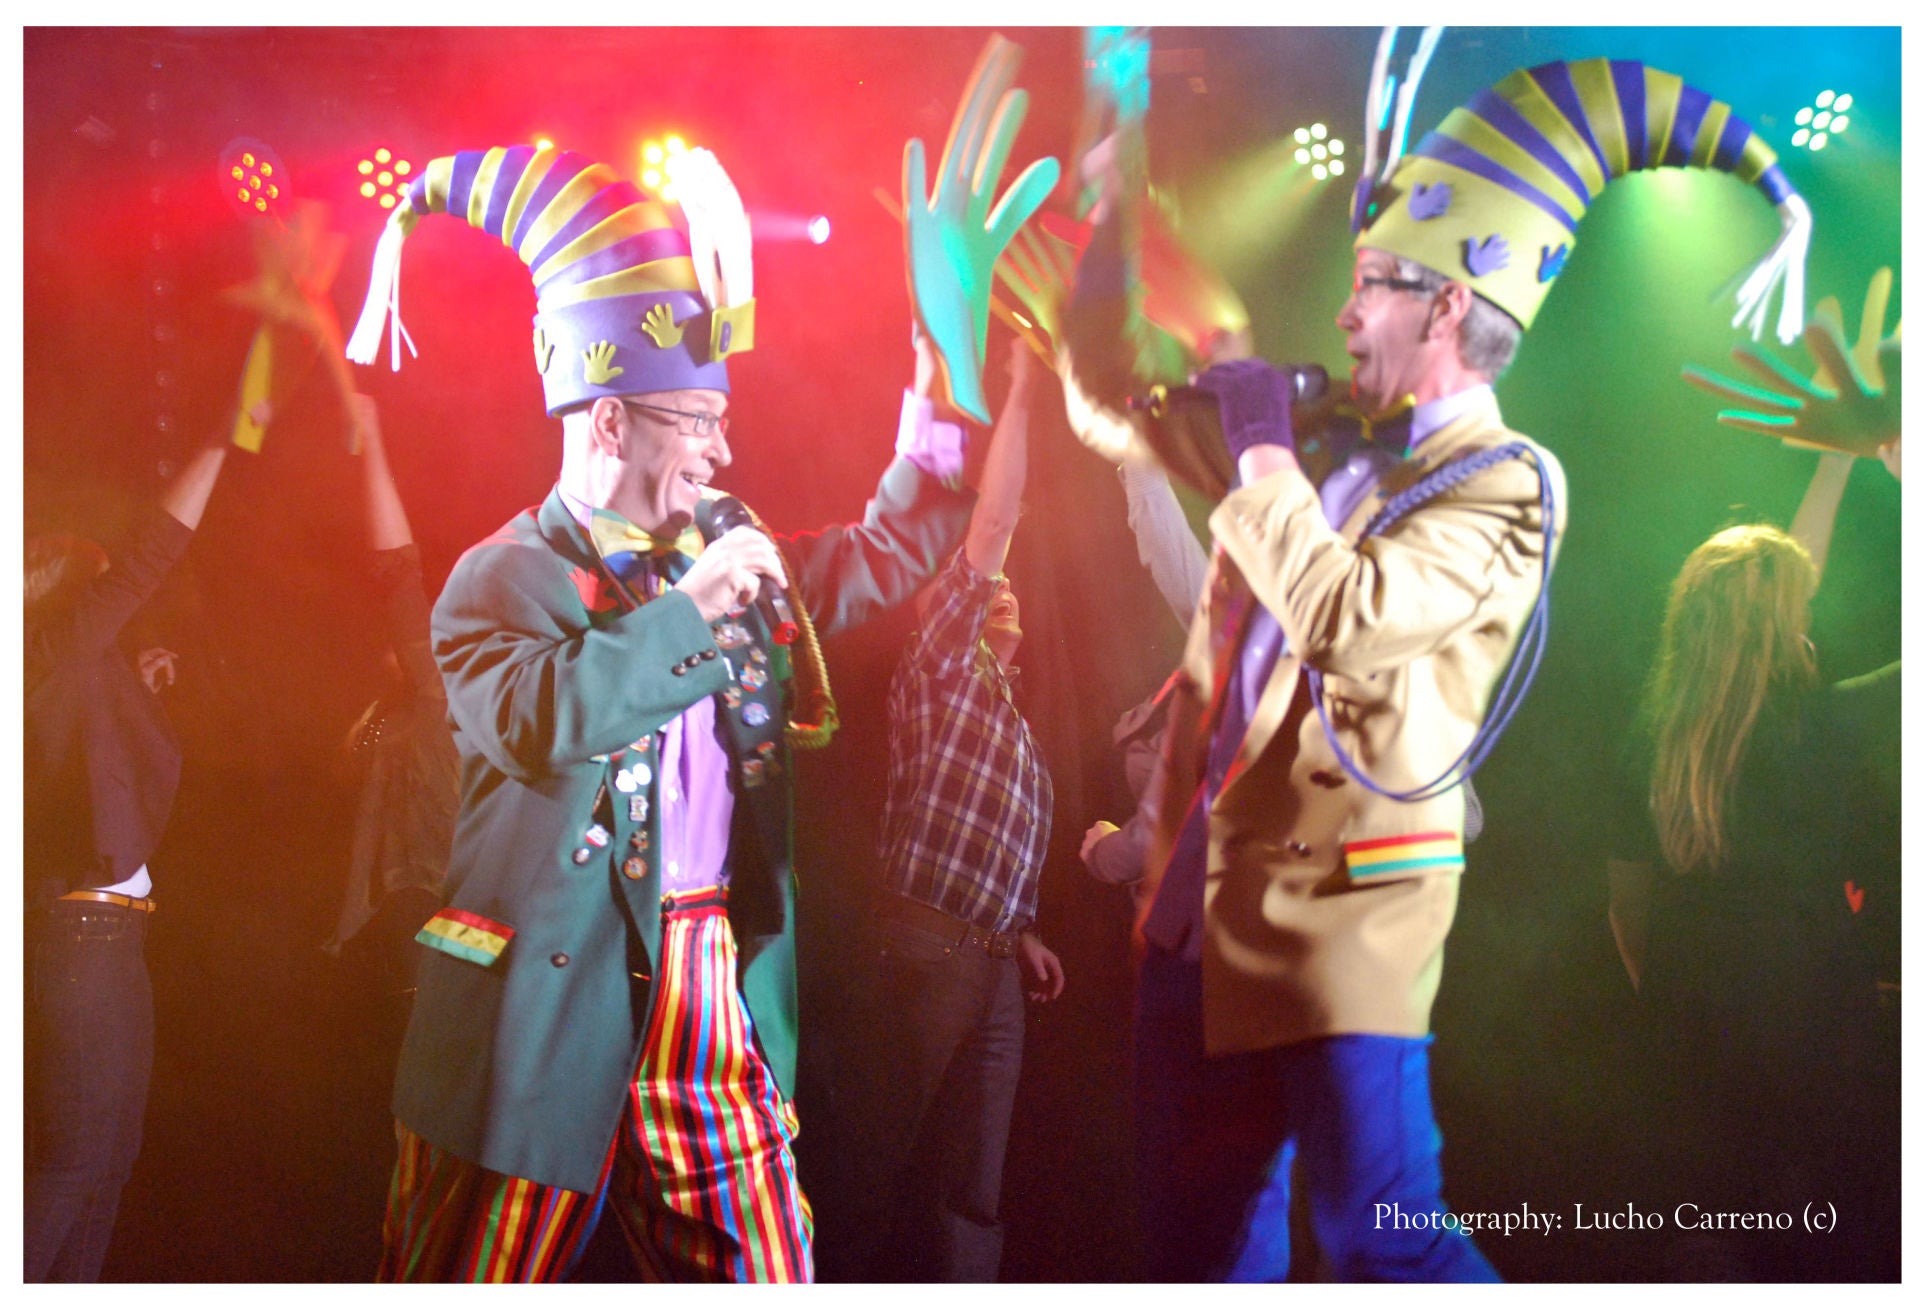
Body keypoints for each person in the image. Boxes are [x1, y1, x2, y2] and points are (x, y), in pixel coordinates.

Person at [1059, 44, 1803, 1283]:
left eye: (1369, 286)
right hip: (1194, 924)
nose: (1342, 311)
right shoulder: (1321, 435)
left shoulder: (1507, 484)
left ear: (1446, 307)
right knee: (1198, 1256)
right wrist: (1111, 205)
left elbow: (1344, 616)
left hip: (1338, 927)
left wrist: (1258, 447)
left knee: (1382, 1240)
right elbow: (1108, 405)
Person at [350, 144, 975, 1283]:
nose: (721, 449)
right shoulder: (499, 577)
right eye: (694, 419)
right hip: (537, 1018)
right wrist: (691, 610)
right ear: (607, 421)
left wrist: (942, 388)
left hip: (708, 988)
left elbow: (886, 553)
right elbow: (544, 719)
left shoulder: (716, 557)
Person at [1607, 282, 1901, 1281]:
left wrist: (1833, 464)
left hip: (1688, 1046)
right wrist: (1889, 458)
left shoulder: (1653, 739)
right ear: (1783, 630)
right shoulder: (1824, 727)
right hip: (1815, 1043)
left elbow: (1626, 913)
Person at [819, 339, 1059, 1283]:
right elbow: (992, 523)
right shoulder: (943, 663)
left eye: (1004, 592)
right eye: (982, 588)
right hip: (925, 948)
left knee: (972, 1189)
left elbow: (993, 837)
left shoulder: (1012, 719)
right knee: (871, 1161)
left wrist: (1021, 928)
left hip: (991, 964)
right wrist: (1024, 390)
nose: (1001, 592)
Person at [24, 418, 239, 1282]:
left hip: (112, 935)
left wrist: (133, 690)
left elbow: (101, 762)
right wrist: (224, 436)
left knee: (110, 1162)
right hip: (82, 938)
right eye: (96, 582)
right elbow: (152, 553)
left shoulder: (69, 668)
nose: (112, 598)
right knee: (76, 1163)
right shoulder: (48, 646)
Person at [326, 392, 457, 981]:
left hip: (443, 905)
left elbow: (398, 573)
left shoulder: (446, 694)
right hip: (392, 911)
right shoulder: (393, 712)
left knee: (444, 1019)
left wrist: (374, 442)